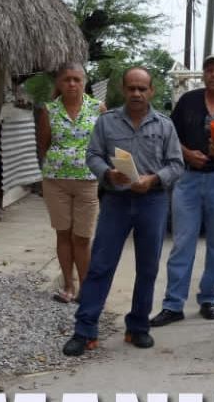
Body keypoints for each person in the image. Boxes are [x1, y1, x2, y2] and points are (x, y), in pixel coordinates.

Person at [63, 67, 184, 356]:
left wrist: (153, 179)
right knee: (101, 265)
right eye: (131, 88)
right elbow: (92, 154)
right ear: (123, 89)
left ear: (151, 91)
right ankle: (85, 331)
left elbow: (177, 165)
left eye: (142, 89)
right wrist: (108, 174)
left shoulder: (165, 125)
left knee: (148, 267)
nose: (137, 94)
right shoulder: (107, 123)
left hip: (152, 202)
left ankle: (138, 327)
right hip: (116, 202)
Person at [151, 53, 214, 326]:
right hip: (188, 180)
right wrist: (187, 154)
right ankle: (173, 304)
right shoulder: (188, 102)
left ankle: (209, 298)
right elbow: (169, 137)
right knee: (183, 242)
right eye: (209, 69)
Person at [36, 62, 105, 304]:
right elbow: (43, 145)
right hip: (56, 182)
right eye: (67, 80)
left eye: (77, 79)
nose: (72, 84)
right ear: (59, 83)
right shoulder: (49, 110)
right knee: (63, 234)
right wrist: (57, 165)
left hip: (88, 181)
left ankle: (86, 288)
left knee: (83, 237)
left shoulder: (98, 108)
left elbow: (105, 143)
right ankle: (69, 286)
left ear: (84, 82)